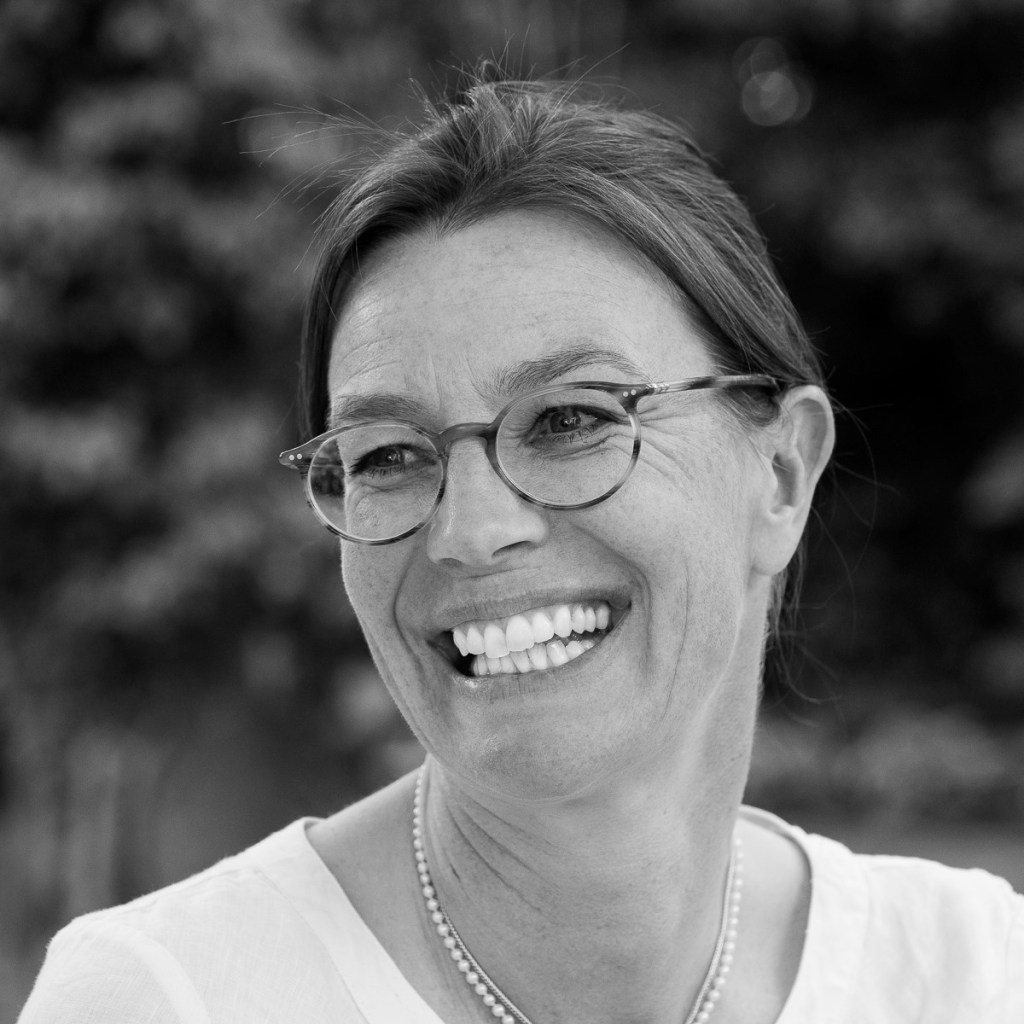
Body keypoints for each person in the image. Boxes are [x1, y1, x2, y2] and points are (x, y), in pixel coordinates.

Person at [19, 73, 1023, 1024]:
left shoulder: (974, 976)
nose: (469, 531)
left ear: (782, 474)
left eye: (570, 420)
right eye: (389, 454)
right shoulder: (171, 997)